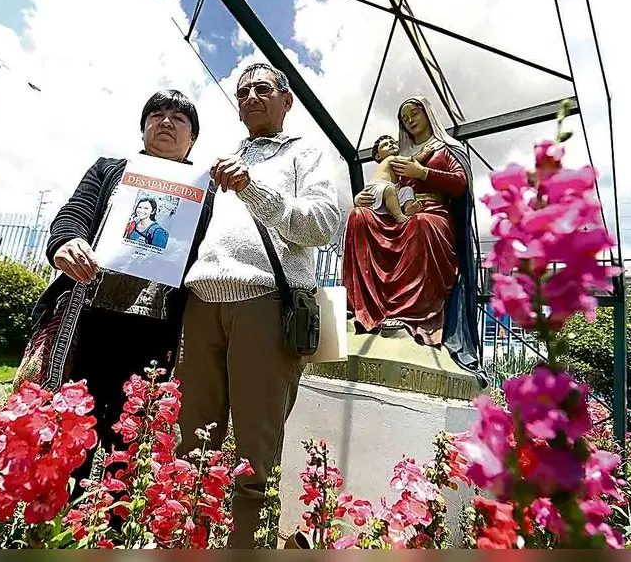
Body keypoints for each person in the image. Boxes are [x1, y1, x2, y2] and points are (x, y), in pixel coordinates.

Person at [173, 62, 341, 548]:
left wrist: (252, 187)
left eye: (262, 89)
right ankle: (185, 540)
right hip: (202, 302)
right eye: (242, 91)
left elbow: (321, 225)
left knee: (254, 450)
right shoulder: (217, 162)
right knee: (191, 442)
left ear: (287, 101)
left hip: (266, 301)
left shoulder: (305, 153)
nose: (250, 97)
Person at [32, 89, 215, 492]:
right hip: (90, 317)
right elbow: (74, 213)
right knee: (72, 425)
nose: (166, 121)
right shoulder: (110, 169)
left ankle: (113, 526)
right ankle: (56, 519)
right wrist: (65, 243)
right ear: (143, 127)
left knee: (133, 436)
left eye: (179, 118)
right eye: (157, 114)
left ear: (193, 139)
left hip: (157, 329)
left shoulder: (208, 190)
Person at [342, 95, 481, 374]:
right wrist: (362, 198)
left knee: (420, 225)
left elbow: (460, 183)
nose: (410, 120)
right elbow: (383, 185)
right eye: (404, 119)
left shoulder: (446, 148)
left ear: (428, 113)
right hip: (400, 213)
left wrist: (423, 173)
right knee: (359, 218)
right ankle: (363, 308)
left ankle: (411, 315)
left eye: (414, 113)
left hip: (434, 215)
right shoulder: (401, 156)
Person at [361, 134, 432, 223]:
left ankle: (408, 208)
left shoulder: (395, 163)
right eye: (385, 145)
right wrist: (425, 153)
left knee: (407, 190)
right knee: (389, 189)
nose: (390, 144)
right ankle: (398, 216)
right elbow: (412, 161)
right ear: (378, 156)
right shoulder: (391, 158)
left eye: (393, 142)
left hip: (393, 192)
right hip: (378, 187)